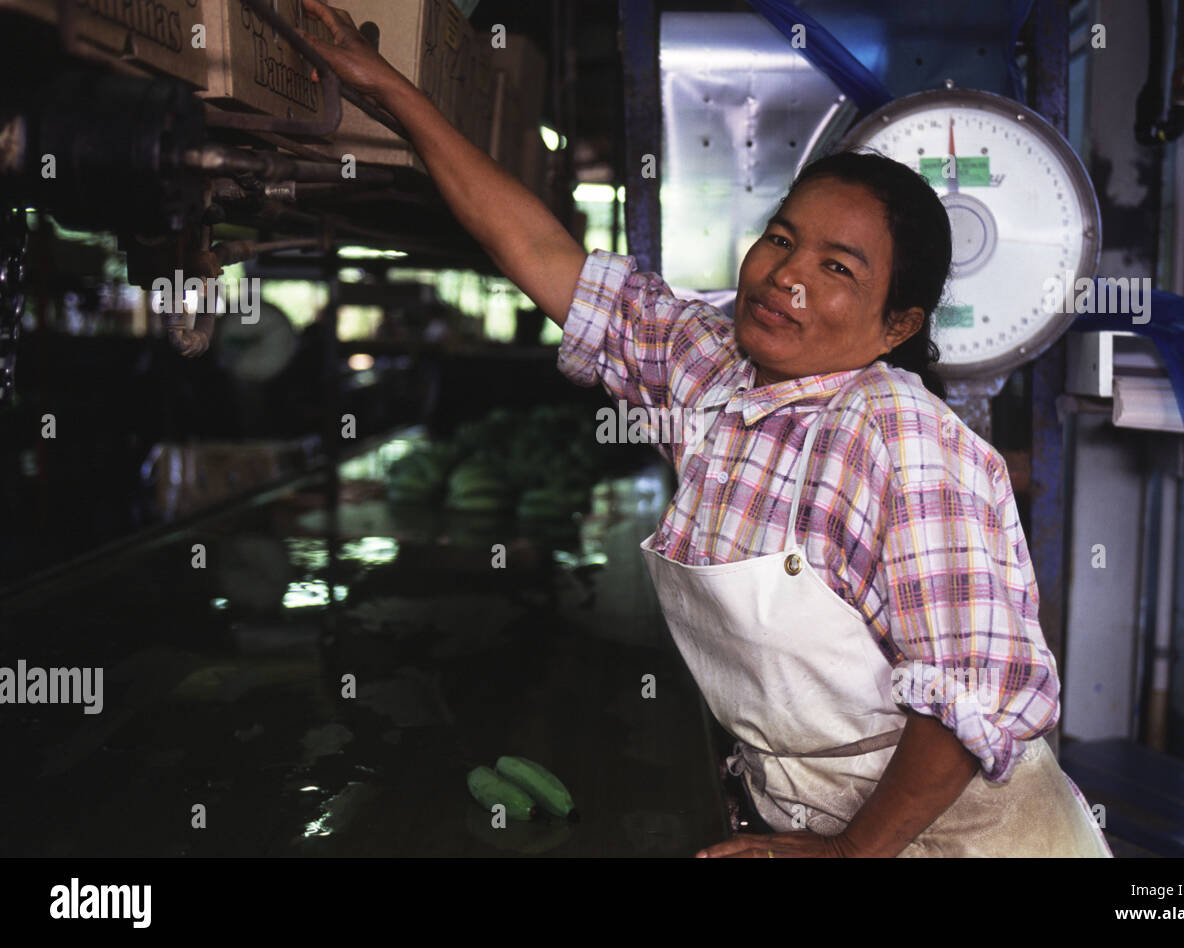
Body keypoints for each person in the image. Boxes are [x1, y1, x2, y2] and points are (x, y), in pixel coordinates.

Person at [299, 0, 1111, 858]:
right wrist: (393, 93)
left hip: (961, 838)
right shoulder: (711, 371)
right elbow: (543, 255)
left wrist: (846, 856)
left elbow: (971, 696)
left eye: (837, 268)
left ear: (897, 324)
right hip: (813, 818)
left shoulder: (903, 443)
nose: (786, 277)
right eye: (781, 239)